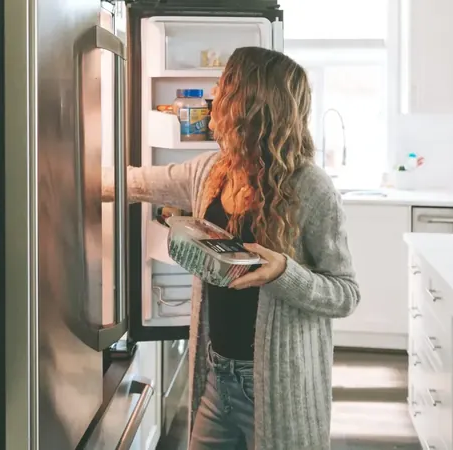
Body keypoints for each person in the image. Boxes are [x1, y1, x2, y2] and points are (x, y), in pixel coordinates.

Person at [104, 46, 360, 449]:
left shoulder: (311, 187)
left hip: (278, 388)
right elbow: (137, 182)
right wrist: (59, 169)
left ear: (249, 102)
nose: (215, 93)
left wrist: (282, 272)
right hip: (216, 377)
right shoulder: (211, 171)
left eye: (224, 85)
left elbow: (346, 293)